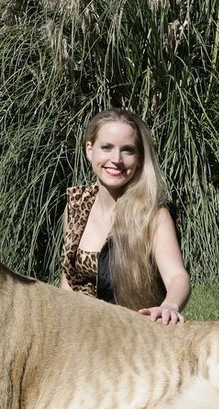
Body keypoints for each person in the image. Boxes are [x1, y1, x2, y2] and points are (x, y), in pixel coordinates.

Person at [60, 108, 191, 325]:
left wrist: (170, 305)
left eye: (128, 150)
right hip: (79, 332)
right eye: (107, 147)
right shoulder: (76, 205)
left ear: (139, 158)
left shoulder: (153, 214)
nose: (116, 159)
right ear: (89, 149)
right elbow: (67, 282)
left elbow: (177, 277)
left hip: (131, 336)